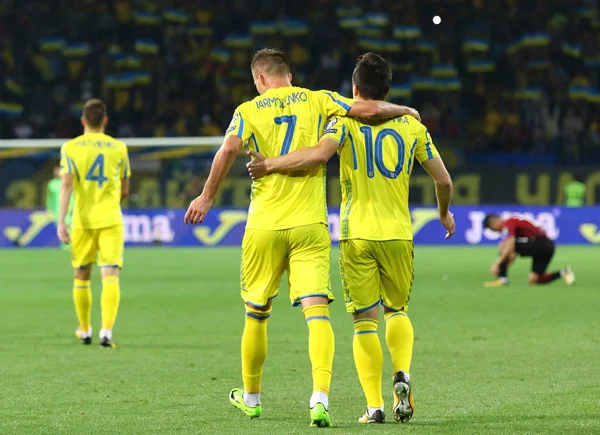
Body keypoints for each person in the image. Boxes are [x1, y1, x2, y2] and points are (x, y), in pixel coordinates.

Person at [184, 48, 420, 427]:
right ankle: (319, 399)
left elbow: (229, 148)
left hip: (264, 224)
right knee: (318, 314)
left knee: (256, 315)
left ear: (260, 79)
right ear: (288, 74)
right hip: (310, 224)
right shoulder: (318, 99)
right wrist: (407, 112)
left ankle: (251, 397)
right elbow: (371, 110)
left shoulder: (248, 110)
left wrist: (206, 195)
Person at [246, 52, 455, 424]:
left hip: (356, 234)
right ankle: (402, 373)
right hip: (398, 234)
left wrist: (270, 165)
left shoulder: (341, 124)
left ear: (356, 90)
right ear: (386, 90)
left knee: (364, 322)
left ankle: (374, 406)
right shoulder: (413, 128)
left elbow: (317, 156)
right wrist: (443, 213)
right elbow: (443, 181)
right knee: (398, 311)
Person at [57, 99, 131, 348]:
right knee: (110, 275)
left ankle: (86, 330)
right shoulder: (119, 147)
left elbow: (66, 185)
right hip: (110, 218)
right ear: (105, 120)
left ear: (83, 121)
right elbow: (125, 188)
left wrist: (61, 221)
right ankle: (106, 332)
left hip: (82, 220)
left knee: (82, 275)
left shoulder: (70, 147)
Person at [482, 214, 575, 287]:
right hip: (547, 246)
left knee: (505, 245)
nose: (494, 231)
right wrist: (506, 262)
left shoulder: (508, 222)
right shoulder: (513, 221)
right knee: (535, 279)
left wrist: (497, 264)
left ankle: (502, 279)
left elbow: (510, 247)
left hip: (540, 243)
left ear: (494, 222)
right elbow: (512, 252)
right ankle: (564, 272)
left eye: (491, 229)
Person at [47, 165, 74, 249]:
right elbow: (49, 198)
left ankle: (71, 245)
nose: (58, 172)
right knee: (62, 226)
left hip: (72, 207)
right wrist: (50, 209)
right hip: (59, 209)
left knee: (71, 225)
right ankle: (65, 246)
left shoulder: (71, 181)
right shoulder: (51, 184)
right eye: (56, 171)